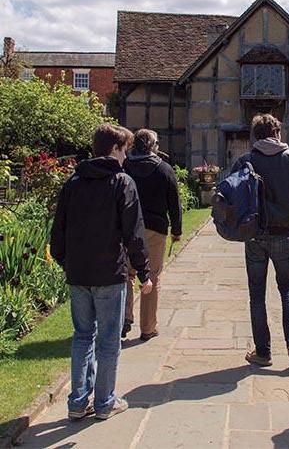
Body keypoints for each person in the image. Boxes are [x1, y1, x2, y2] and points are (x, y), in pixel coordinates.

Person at [51, 123, 152, 421]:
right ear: (114, 149)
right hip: (110, 272)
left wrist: (63, 260)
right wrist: (144, 272)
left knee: (83, 336)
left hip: (79, 273)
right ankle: (105, 402)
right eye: (125, 150)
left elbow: (59, 230)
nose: (126, 157)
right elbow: (134, 232)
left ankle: (77, 402)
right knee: (108, 339)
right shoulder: (122, 182)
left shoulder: (73, 182)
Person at [232, 114, 289, 366]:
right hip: (283, 233)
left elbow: (232, 199)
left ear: (255, 134)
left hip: (255, 234)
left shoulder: (245, 161)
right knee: (288, 288)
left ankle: (263, 352)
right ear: (277, 132)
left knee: (257, 294)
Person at [122, 129, 182, 341]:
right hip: (155, 229)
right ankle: (148, 328)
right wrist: (176, 230)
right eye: (157, 143)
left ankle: (125, 317)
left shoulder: (125, 166)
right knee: (151, 277)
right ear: (153, 145)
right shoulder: (164, 169)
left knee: (127, 274)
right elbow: (174, 202)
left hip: (128, 228)